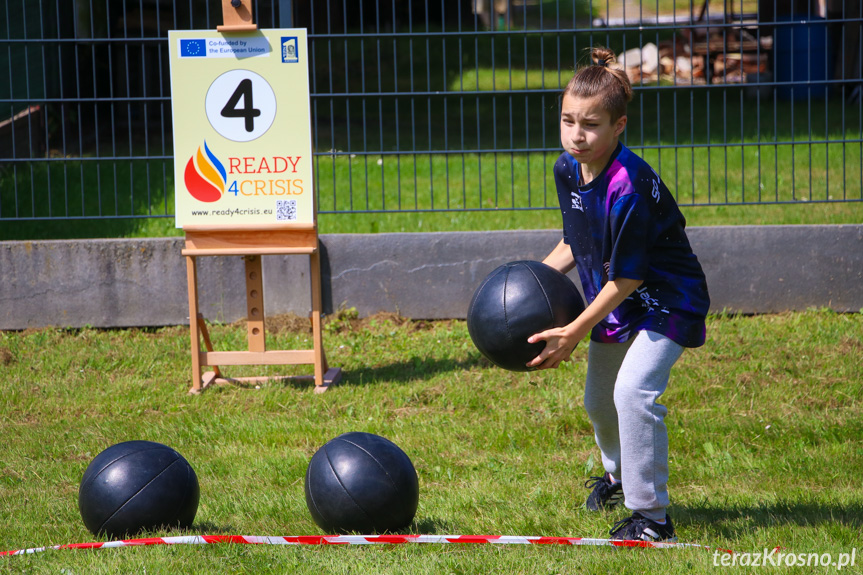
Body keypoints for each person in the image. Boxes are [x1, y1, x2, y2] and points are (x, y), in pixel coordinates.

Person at [525, 46, 710, 543]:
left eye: (591, 125)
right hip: (618, 296)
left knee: (634, 393)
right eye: (567, 121)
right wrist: (527, 284)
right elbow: (575, 241)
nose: (576, 135)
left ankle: (651, 517)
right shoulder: (568, 169)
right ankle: (619, 477)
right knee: (600, 402)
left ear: (619, 126)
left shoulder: (627, 185)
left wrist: (573, 331)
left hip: (667, 298)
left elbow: (627, 277)